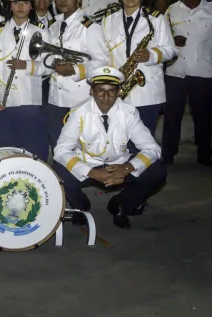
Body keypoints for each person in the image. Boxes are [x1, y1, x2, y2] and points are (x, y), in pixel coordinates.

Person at [53, 66, 167, 228]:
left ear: (119, 92)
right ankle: (81, 207)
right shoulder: (78, 113)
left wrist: (127, 168)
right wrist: (91, 172)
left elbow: (152, 148)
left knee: (158, 171)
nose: (106, 97)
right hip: (89, 164)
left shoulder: (129, 112)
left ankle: (121, 205)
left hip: (119, 164)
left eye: (111, 91)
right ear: (91, 92)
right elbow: (61, 150)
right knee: (58, 172)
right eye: (100, 90)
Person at [162, 0, 212, 166]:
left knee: (202, 115)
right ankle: (168, 154)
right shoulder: (172, 10)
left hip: (202, 72)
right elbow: (161, 37)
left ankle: (204, 153)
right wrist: (171, 42)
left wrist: (209, 58)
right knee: (172, 115)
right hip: (175, 71)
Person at [101, 0, 175, 136]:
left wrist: (151, 55)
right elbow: (103, 53)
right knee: (119, 139)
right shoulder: (108, 21)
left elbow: (171, 50)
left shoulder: (156, 19)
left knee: (145, 141)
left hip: (147, 90)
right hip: (117, 90)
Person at [45, 0, 108, 147]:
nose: (63, 0)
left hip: (78, 96)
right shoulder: (54, 25)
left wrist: (75, 69)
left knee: (80, 144)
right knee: (57, 143)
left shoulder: (89, 26)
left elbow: (102, 60)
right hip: (55, 96)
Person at [0, 0, 48, 159]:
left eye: (25, 3)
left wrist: (27, 66)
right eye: (16, 2)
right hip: (4, 102)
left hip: (30, 100)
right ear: (10, 6)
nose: (20, 6)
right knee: (6, 152)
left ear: (31, 7)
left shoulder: (40, 32)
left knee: (33, 151)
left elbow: (49, 65)